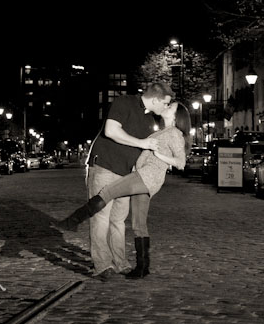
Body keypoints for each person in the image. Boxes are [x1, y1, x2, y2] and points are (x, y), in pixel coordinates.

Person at [53, 100, 191, 280]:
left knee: (107, 192)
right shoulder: (160, 131)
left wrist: (159, 156)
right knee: (138, 224)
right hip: (144, 177)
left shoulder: (174, 133)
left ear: (176, 116)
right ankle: (142, 267)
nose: (167, 107)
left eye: (171, 107)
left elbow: (181, 162)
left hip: (146, 177)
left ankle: (73, 220)